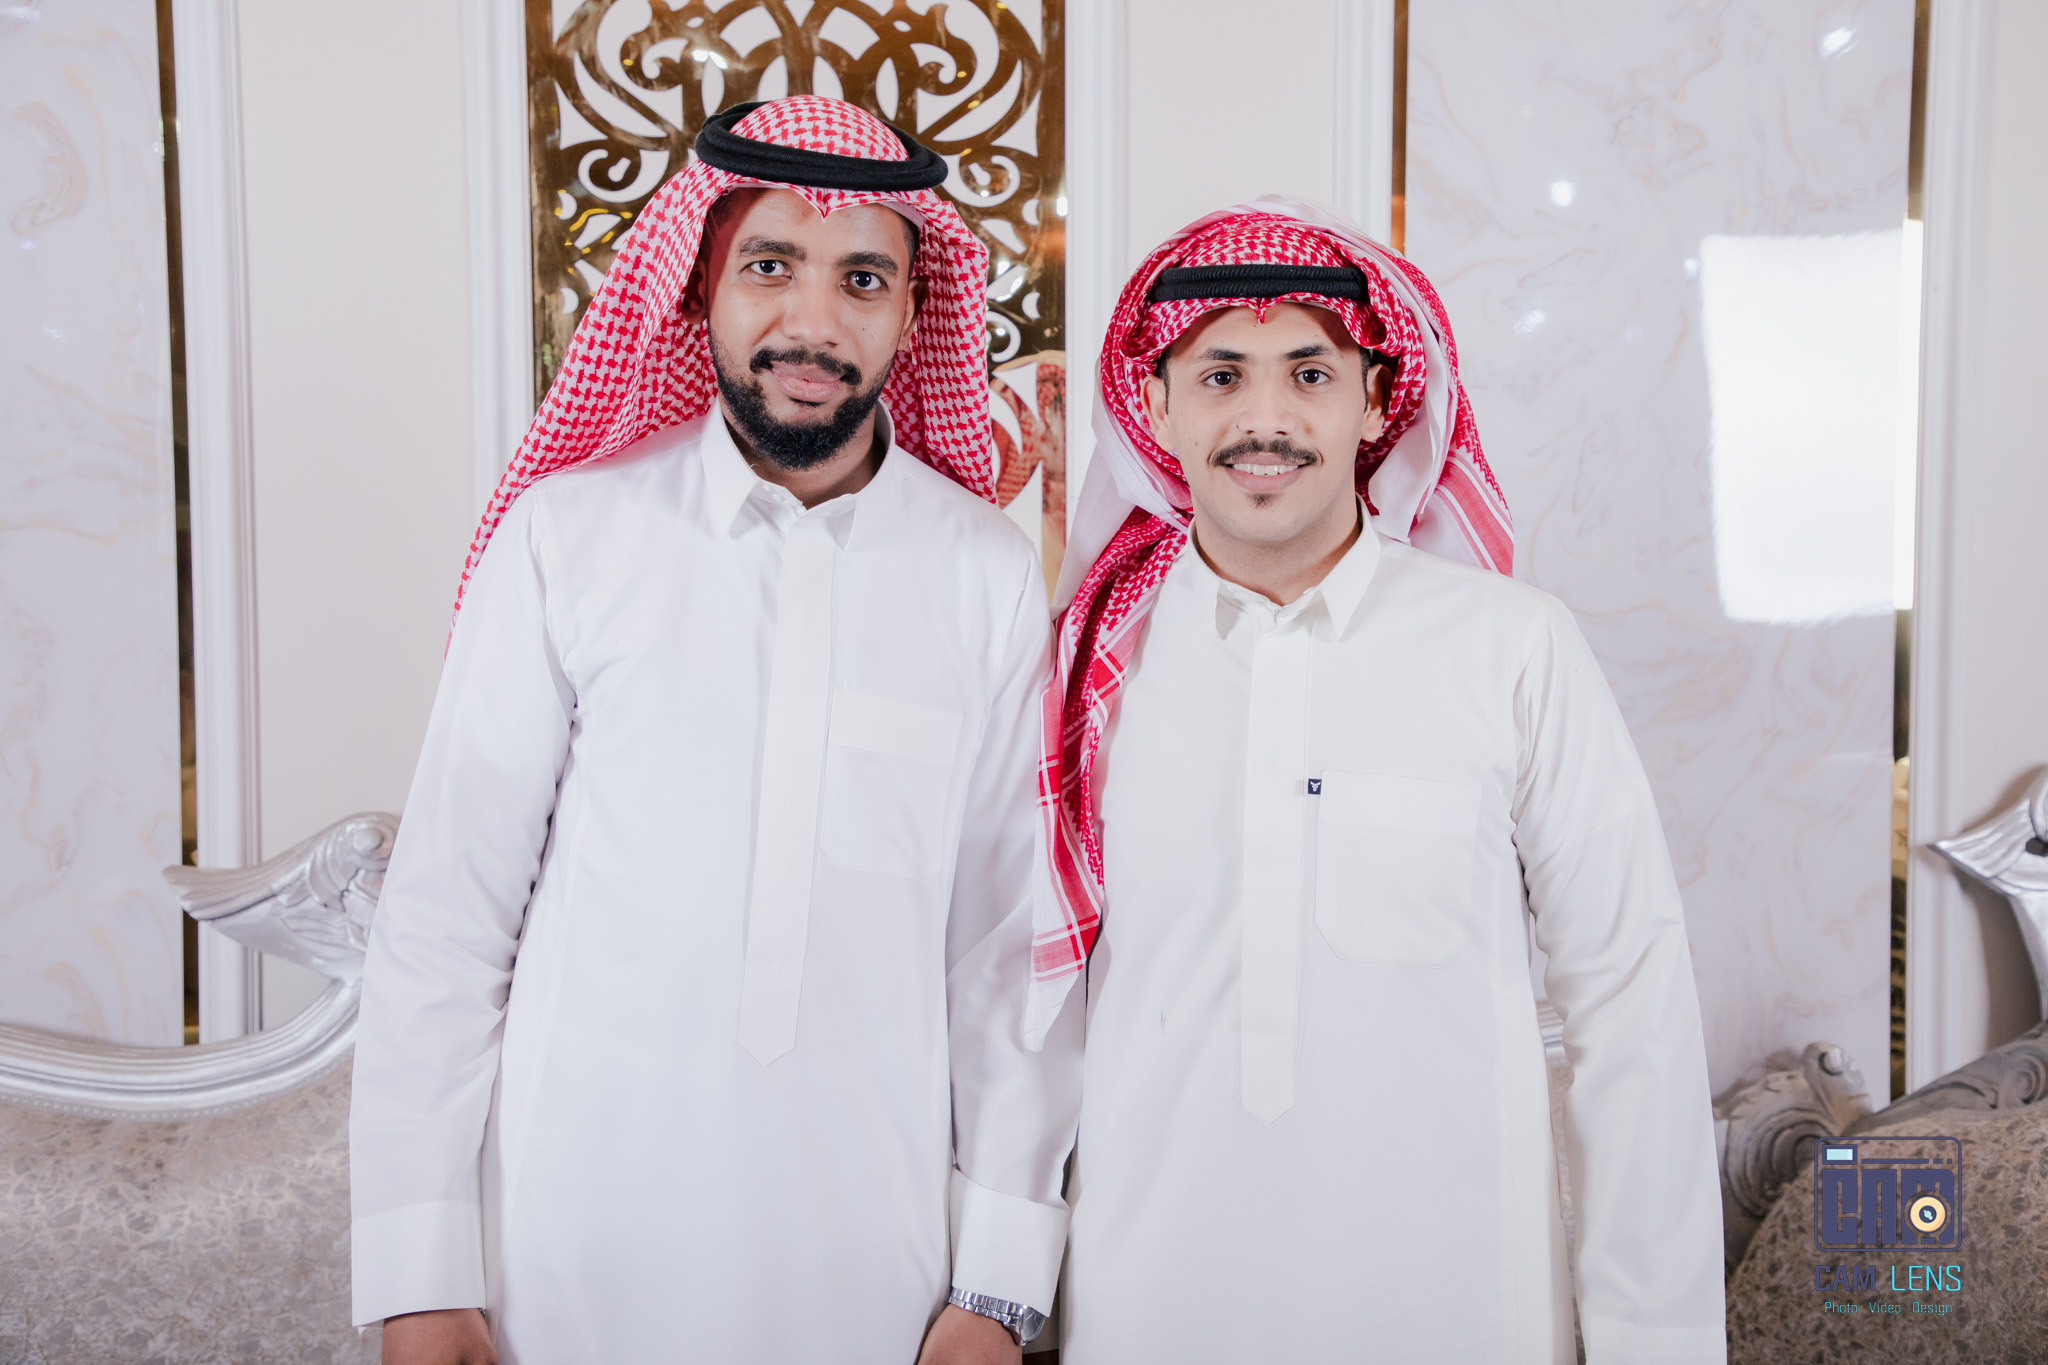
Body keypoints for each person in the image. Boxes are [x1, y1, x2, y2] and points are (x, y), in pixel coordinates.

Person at [350, 97, 1074, 1365]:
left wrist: (999, 1289)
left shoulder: (983, 576)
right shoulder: (568, 540)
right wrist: (421, 1277)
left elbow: (1005, 958)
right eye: (769, 266)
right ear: (698, 288)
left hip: (874, 1262)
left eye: (862, 280)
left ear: (915, 313)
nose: (814, 322)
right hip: (563, 1254)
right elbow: (446, 921)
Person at [1027, 198, 1726, 1362]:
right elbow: (1029, 1015)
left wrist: (1655, 1342)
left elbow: (1630, 1006)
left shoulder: (1511, 646)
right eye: (1219, 376)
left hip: (1457, 1306)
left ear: (1373, 400)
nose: (1264, 418)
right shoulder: (1087, 674)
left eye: (1308, 373)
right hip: (1153, 1302)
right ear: (1153, 406)